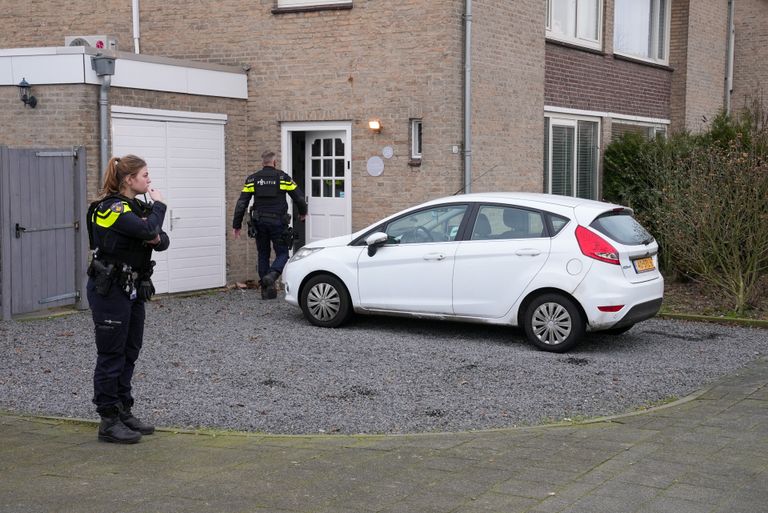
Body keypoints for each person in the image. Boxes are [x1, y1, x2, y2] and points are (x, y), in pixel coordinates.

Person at [85, 155, 170, 444]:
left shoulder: (135, 207)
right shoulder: (111, 208)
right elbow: (148, 230)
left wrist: (154, 233)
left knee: (130, 351)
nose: (149, 180)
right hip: (110, 289)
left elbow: (161, 239)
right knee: (111, 354)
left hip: (132, 288)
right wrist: (158, 209)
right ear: (128, 180)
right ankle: (108, 420)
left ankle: (123, 411)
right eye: (144, 175)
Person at [232, 150, 308, 299]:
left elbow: (242, 203)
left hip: (259, 223)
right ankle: (272, 276)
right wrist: (303, 212)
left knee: (263, 254)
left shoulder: (252, 179)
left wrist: (237, 225)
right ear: (274, 162)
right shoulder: (283, 178)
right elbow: (298, 197)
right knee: (282, 253)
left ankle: (266, 291)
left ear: (262, 163)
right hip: (278, 222)